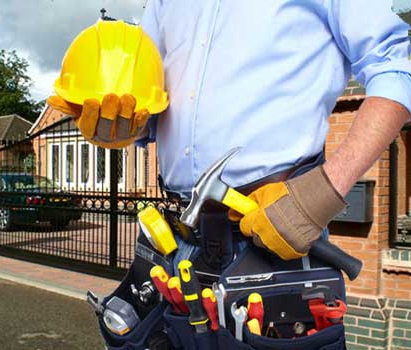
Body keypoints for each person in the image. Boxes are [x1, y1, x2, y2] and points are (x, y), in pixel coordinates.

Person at [50, 0, 411, 347]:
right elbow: (151, 107)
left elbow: (398, 69)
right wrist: (122, 126)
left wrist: (324, 191)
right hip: (176, 244)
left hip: (275, 235)